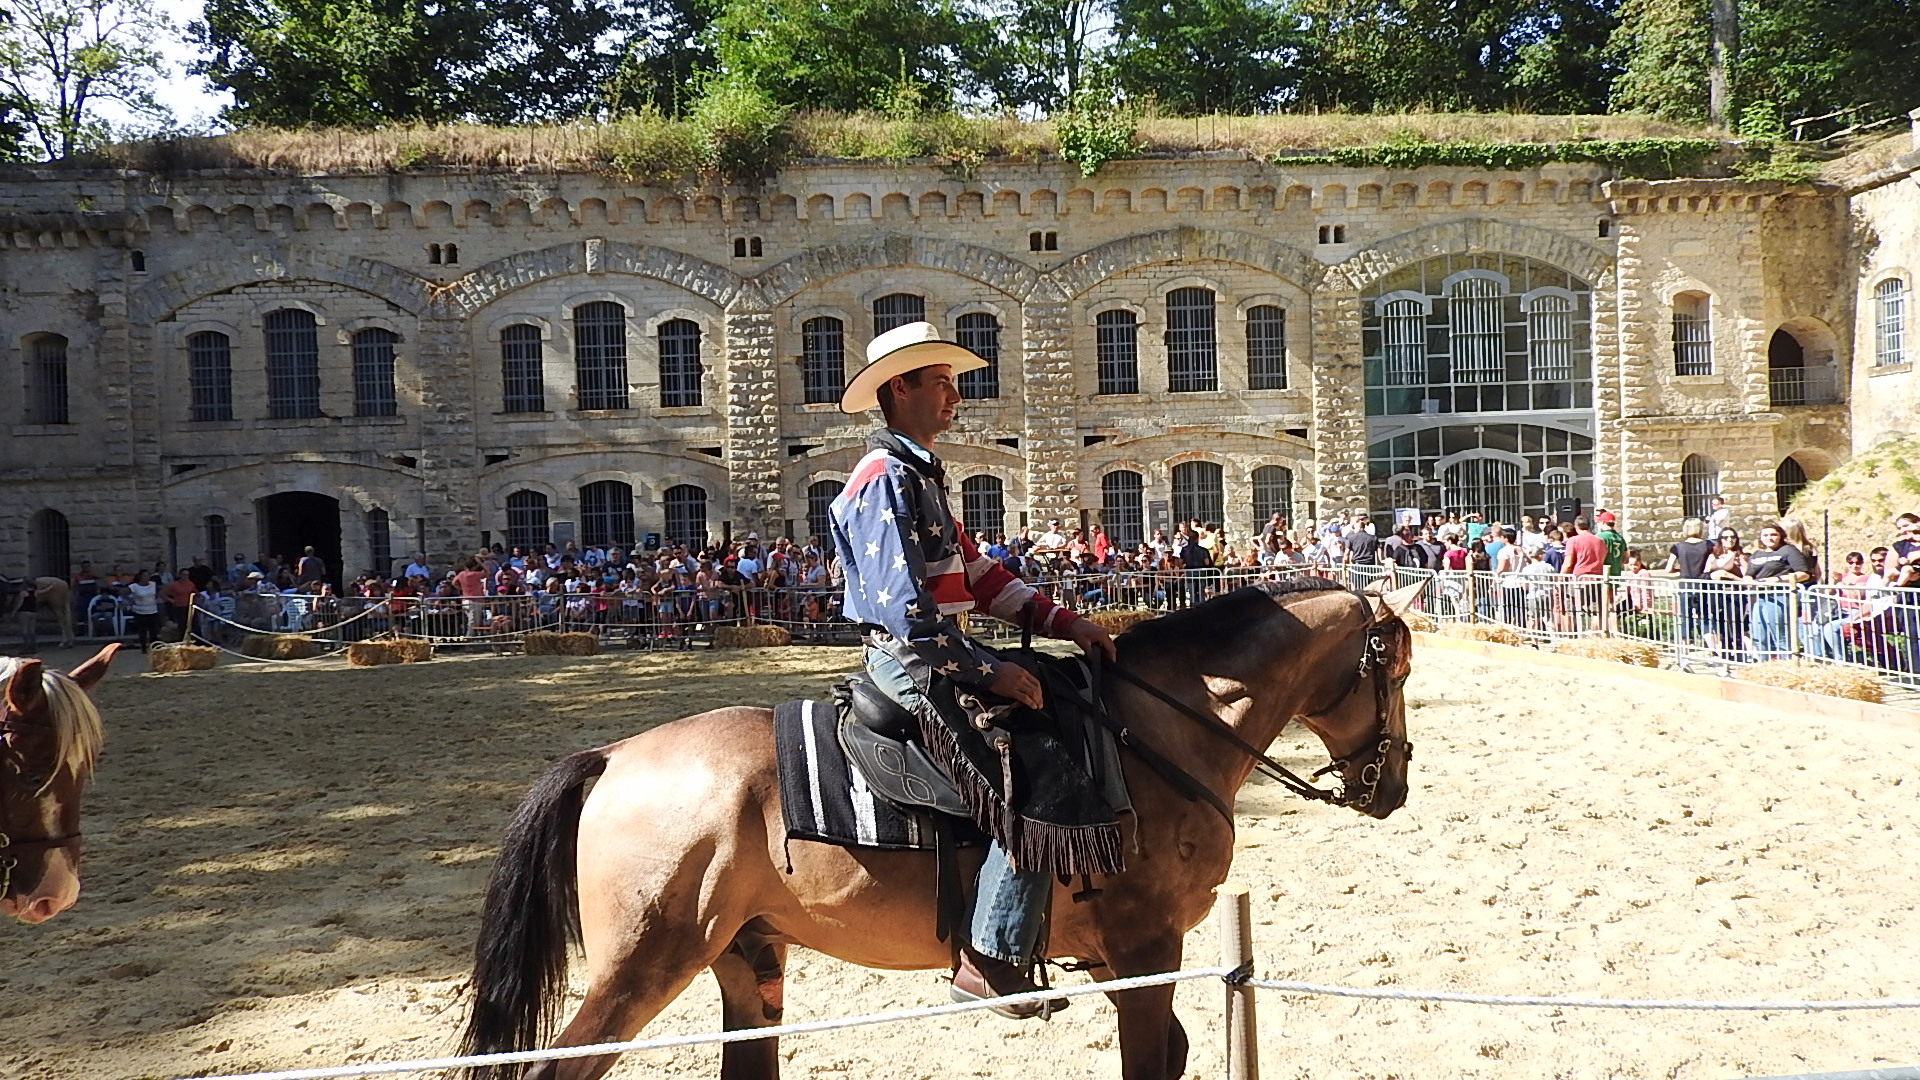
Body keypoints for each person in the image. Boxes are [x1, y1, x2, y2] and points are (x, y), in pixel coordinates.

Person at [829, 320, 1116, 1018]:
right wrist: (990, 674)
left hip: (937, 652)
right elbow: (907, 615)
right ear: (900, 389)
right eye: (942, 384)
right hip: (913, 662)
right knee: (1034, 780)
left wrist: (1062, 622)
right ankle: (989, 959)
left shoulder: (919, 474)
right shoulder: (885, 479)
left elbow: (981, 576)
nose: (956, 398)